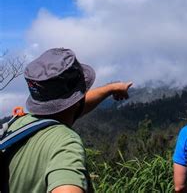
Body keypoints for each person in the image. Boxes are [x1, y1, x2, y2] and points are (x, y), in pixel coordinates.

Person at [2, 48, 132, 193]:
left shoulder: (16, 125)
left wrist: (111, 88)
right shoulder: (66, 143)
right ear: (76, 101)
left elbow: (73, 108)